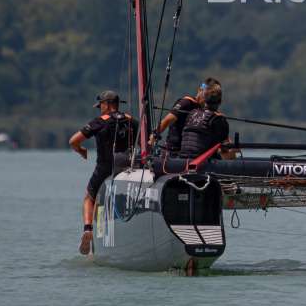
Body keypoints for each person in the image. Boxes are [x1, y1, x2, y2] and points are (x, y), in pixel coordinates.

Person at [69, 90, 137, 255]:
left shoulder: (100, 122)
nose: (100, 109)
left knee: (89, 197)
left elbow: (73, 141)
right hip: (128, 167)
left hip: (105, 168)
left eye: (100, 106)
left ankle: (88, 229)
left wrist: (81, 150)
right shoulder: (132, 121)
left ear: (106, 104)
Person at [153, 77, 220, 155]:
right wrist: (154, 135)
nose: (207, 99)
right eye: (206, 95)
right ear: (200, 90)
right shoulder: (186, 103)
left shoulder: (208, 110)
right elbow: (167, 120)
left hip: (191, 152)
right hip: (173, 150)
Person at [177, 79, 238, 160]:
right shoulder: (219, 120)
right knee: (231, 154)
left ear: (204, 100)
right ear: (220, 102)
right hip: (200, 162)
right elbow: (224, 149)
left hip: (182, 160)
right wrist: (234, 149)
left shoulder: (192, 113)